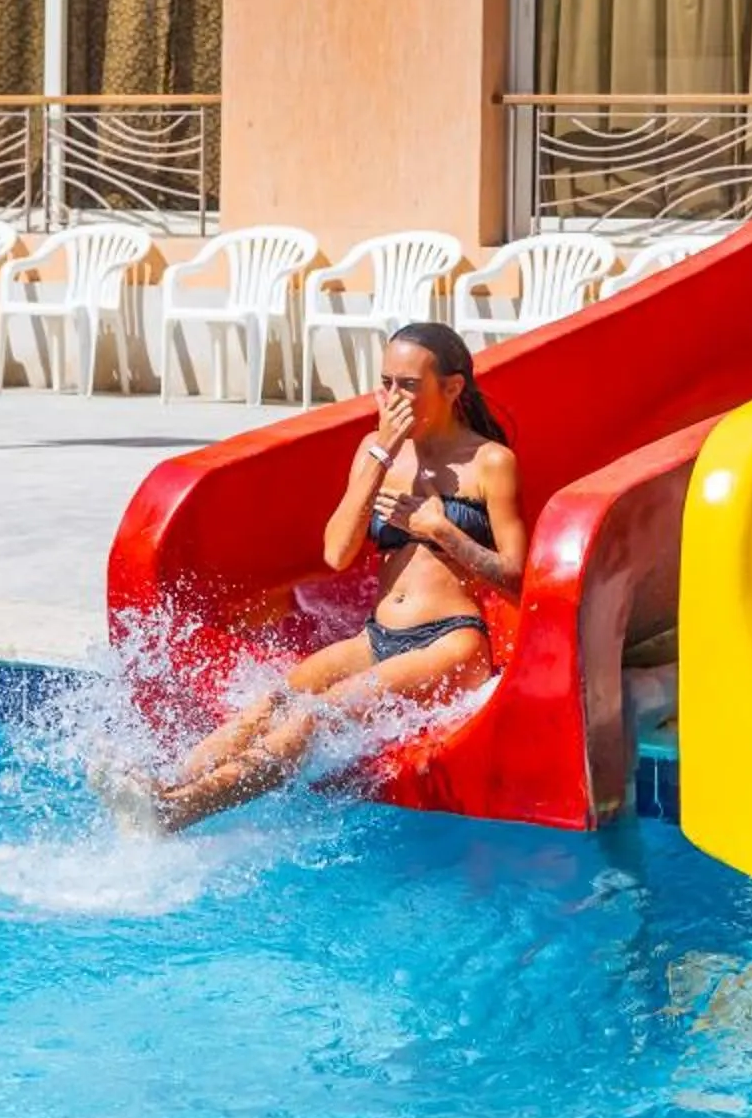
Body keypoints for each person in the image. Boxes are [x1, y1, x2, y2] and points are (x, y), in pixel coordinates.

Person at [124, 321, 524, 832]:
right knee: (272, 703)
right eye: (386, 383)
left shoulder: (490, 462)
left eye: (409, 385)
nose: (393, 398)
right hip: (378, 637)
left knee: (317, 715)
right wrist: (380, 454)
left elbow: (515, 578)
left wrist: (442, 530)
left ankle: (182, 808)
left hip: (450, 643)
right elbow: (337, 552)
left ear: (452, 388)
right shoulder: (375, 451)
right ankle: (162, 786)